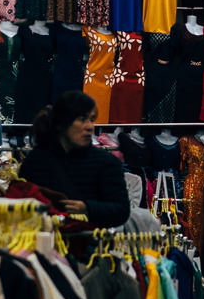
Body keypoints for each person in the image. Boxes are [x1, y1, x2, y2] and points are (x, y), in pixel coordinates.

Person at [14, 93, 131, 237]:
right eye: (82, 120)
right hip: (42, 243)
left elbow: (121, 210)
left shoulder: (106, 162)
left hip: (91, 247)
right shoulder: (36, 161)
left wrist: (88, 208)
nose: (89, 127)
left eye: (91, 120)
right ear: (62, 123)